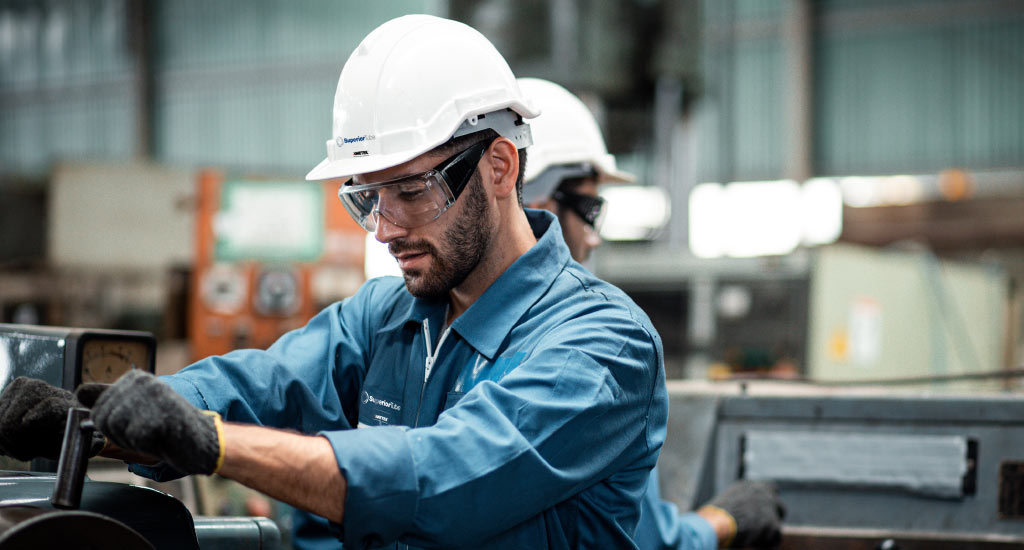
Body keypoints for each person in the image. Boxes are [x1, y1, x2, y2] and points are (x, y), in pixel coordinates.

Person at [0, 15, 776, 550]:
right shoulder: (389, 316)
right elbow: (259, 384)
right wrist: (95, 416)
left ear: (500, 166)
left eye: (411, 190)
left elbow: (442, 478)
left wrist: (214, 445)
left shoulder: (600, 346)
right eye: (366, 196)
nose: (384, 227)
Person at [518, 77, 785, 549]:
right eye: (589, 209)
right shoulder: (593, 351)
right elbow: (647, 540)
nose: (594, 236)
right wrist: (723, 521)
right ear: (538, 204)